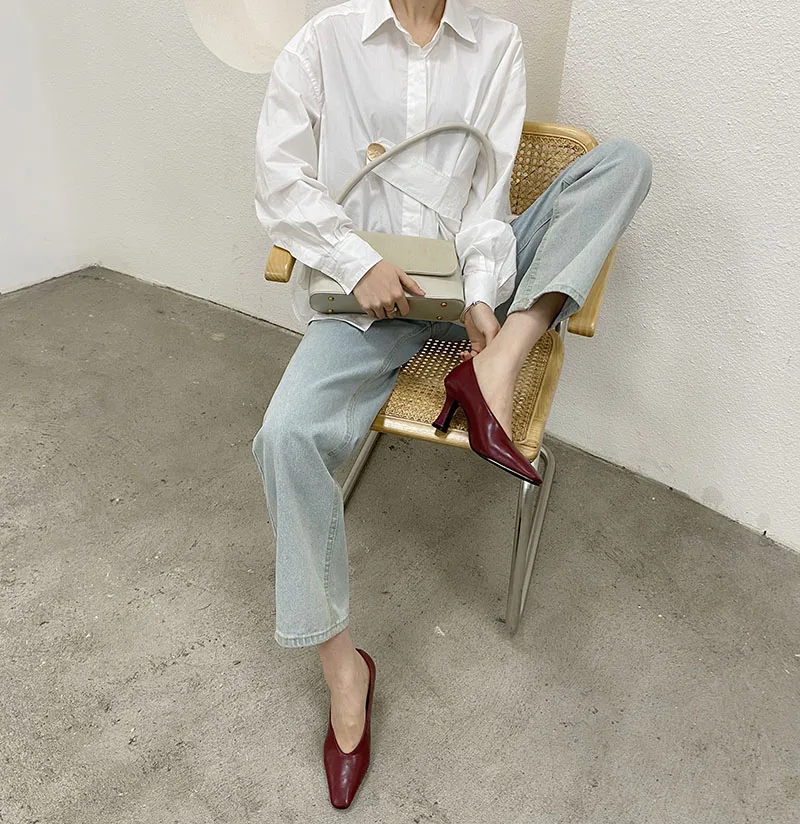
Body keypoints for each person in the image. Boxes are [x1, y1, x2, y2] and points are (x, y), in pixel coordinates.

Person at [251, 0, 652, 809]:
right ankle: (345, 673)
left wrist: (479, 299)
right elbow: (278, 180)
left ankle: (499, 360)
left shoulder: (497, 46)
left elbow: (487, 199)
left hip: (478, 286)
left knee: (623, 164)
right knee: (284, 436)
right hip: (370, 301)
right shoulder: (325, 40)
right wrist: (355, 260)